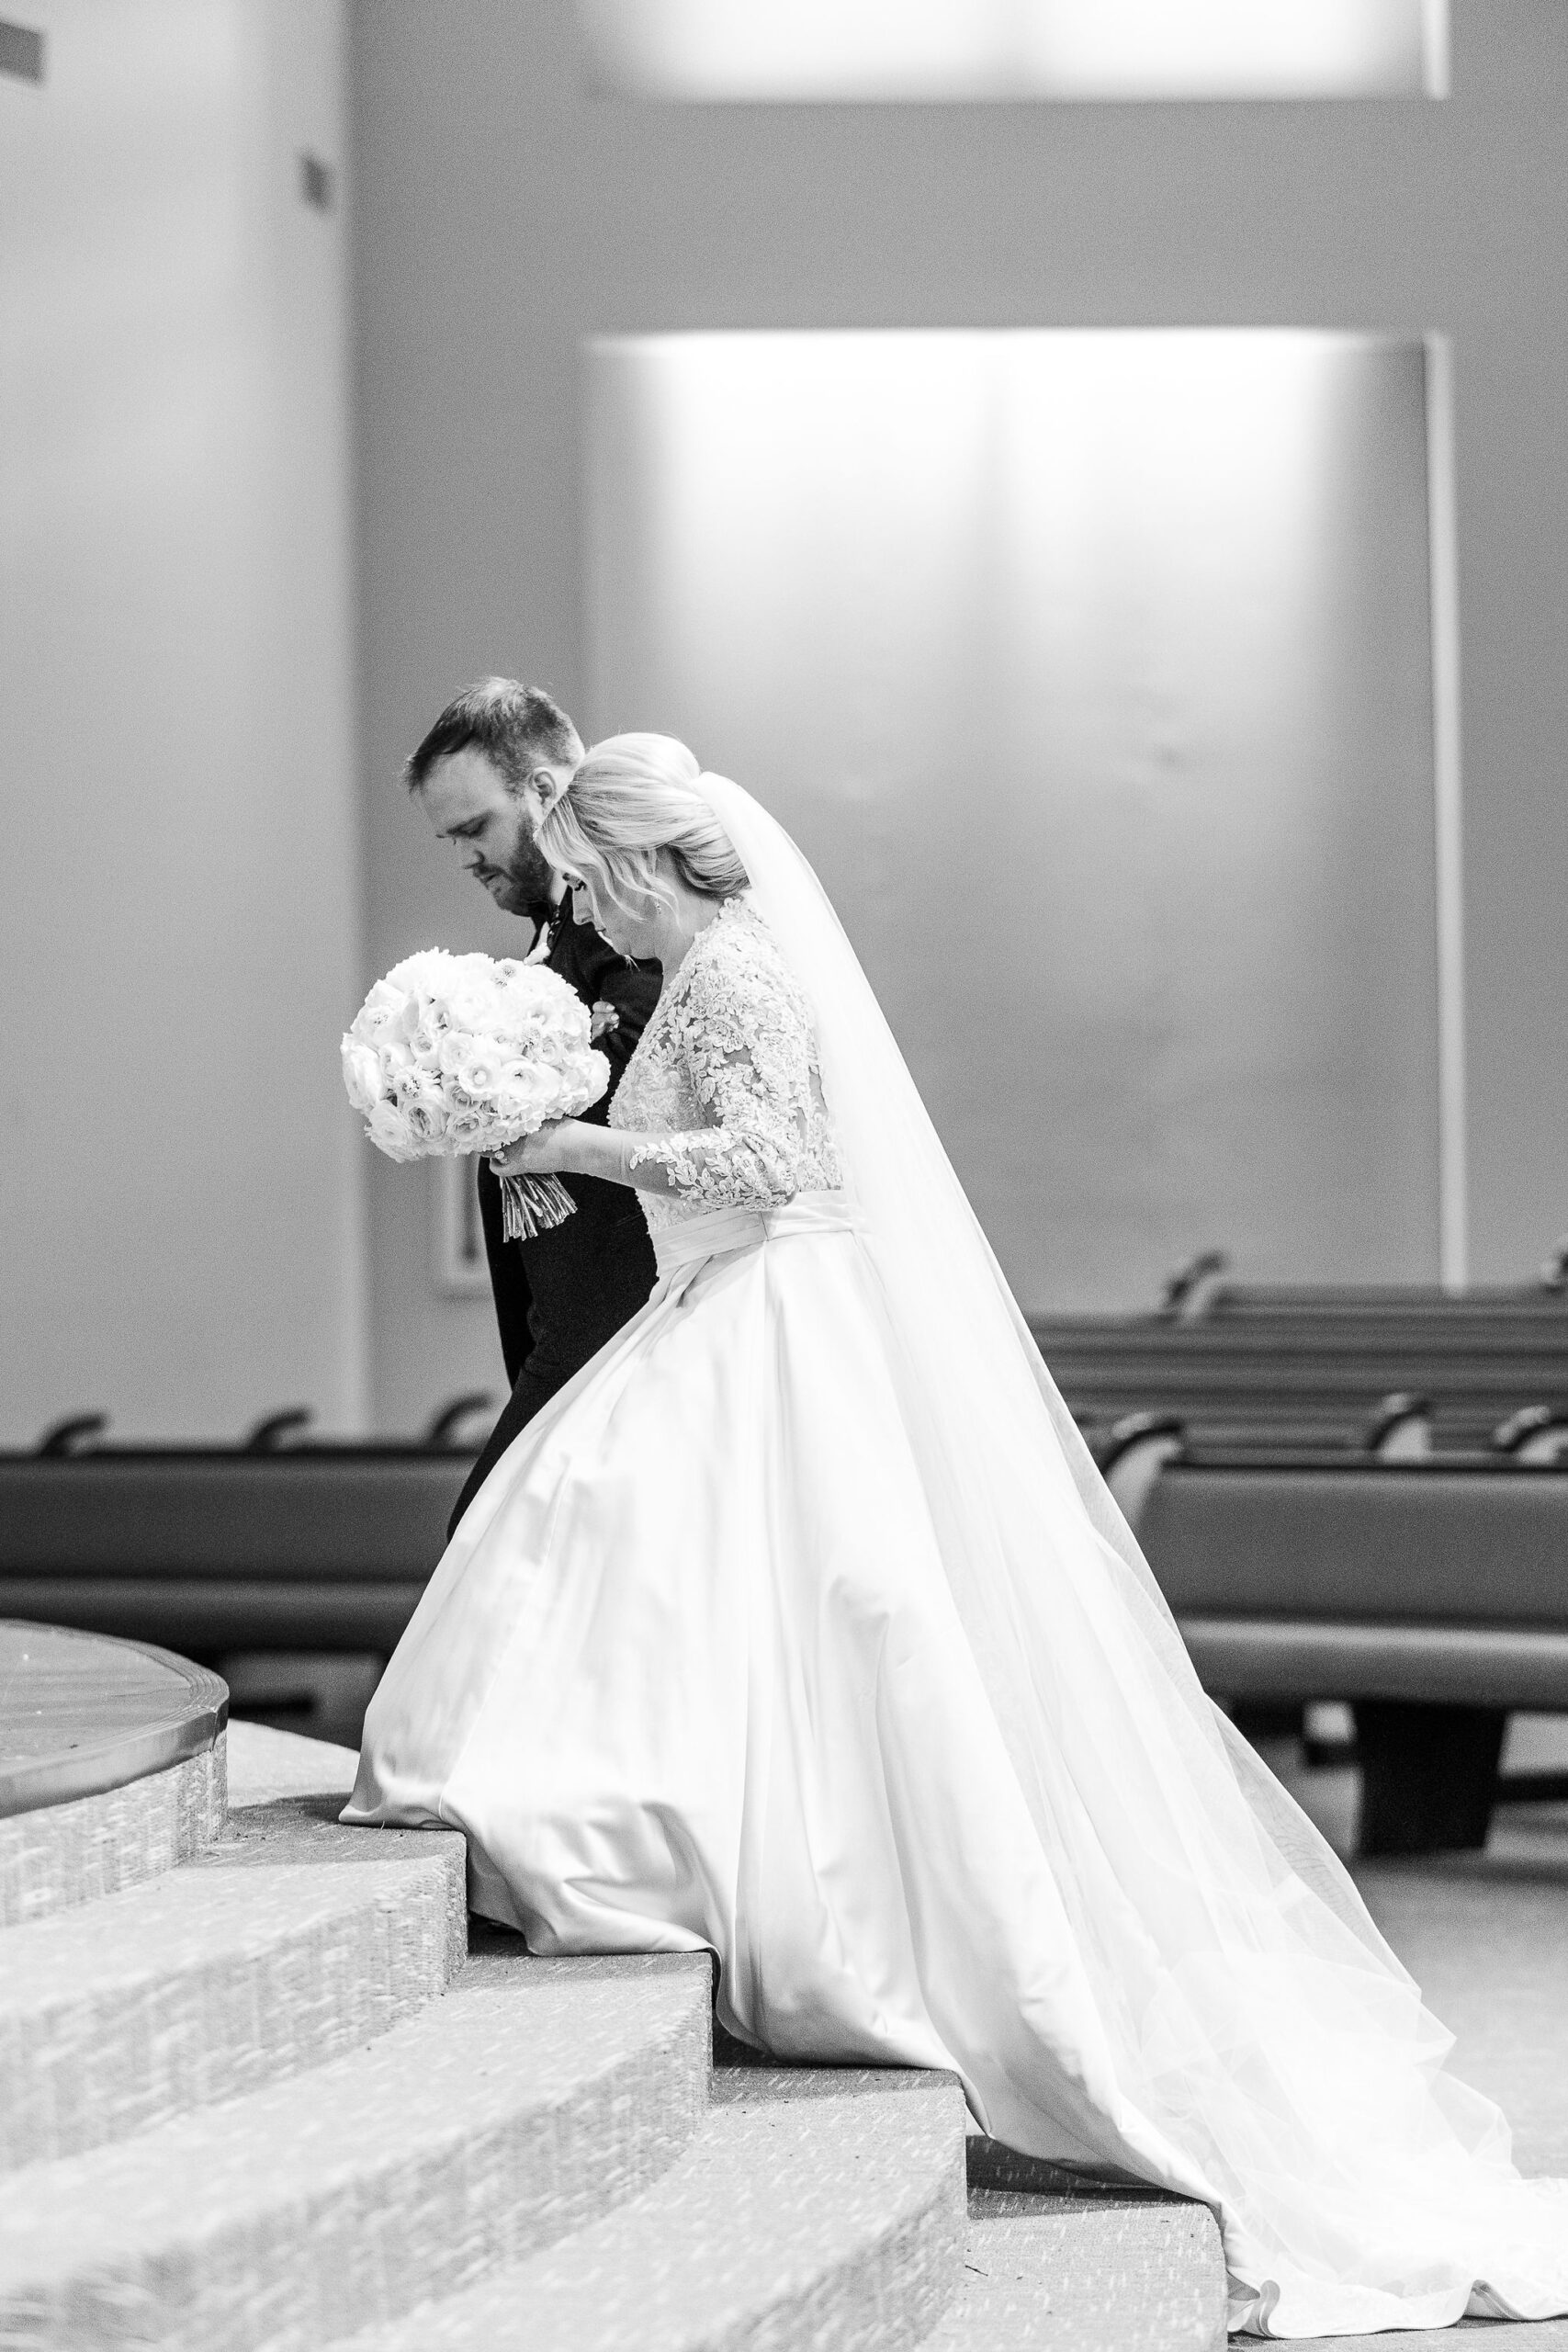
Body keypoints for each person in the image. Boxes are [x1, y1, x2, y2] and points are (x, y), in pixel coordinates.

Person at [345, 734, 1568, 2337]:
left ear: (641, 867)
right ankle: (679, 1868)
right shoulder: (704, 969)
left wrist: (576, 1146)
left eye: (594, 881)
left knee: (817, 1628)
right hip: (719, 1315)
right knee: (684, 1603)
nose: (591, 913)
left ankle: (774, 1907)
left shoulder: (735, 976)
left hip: (774, 1324)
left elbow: (784, 1164)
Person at [403, 680, 660, 1534]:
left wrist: (494, 1091)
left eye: (475, 828)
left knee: (485, 1546)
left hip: (622, 1328)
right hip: (558, 1328)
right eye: (451, 840)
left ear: (543, 790)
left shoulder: (635, 933)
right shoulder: (550, 949)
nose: (467, 857)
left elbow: (642, 1089)